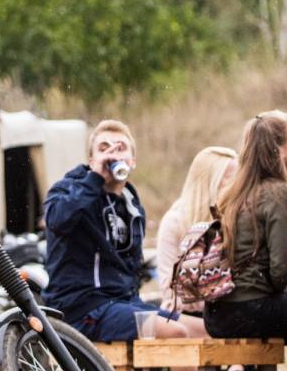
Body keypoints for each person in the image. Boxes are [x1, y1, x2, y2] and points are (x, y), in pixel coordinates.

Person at [44, 120, 205, 341]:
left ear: (133, 161)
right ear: (92, 161)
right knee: (176, 333)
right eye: (104, 148)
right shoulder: (69, 188)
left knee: (205, 331)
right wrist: (95, 178)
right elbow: (56, 221)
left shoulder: (132, 205)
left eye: (120, 148)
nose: (112, 154)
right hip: (82, 308)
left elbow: (132, 267)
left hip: (123, 305)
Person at [201, 112, 287, 340]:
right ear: (278, 149)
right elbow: (282, 271)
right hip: (250, 313)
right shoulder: (277, 192)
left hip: (216, 316)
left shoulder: (235, 192)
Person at [155, 146, 237, 315]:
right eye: (230, 177)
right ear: (210, 181)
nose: (237, 184)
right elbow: (168, 289)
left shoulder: (234, 220)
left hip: (225, 312)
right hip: (188, 313)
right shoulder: (175, 222)